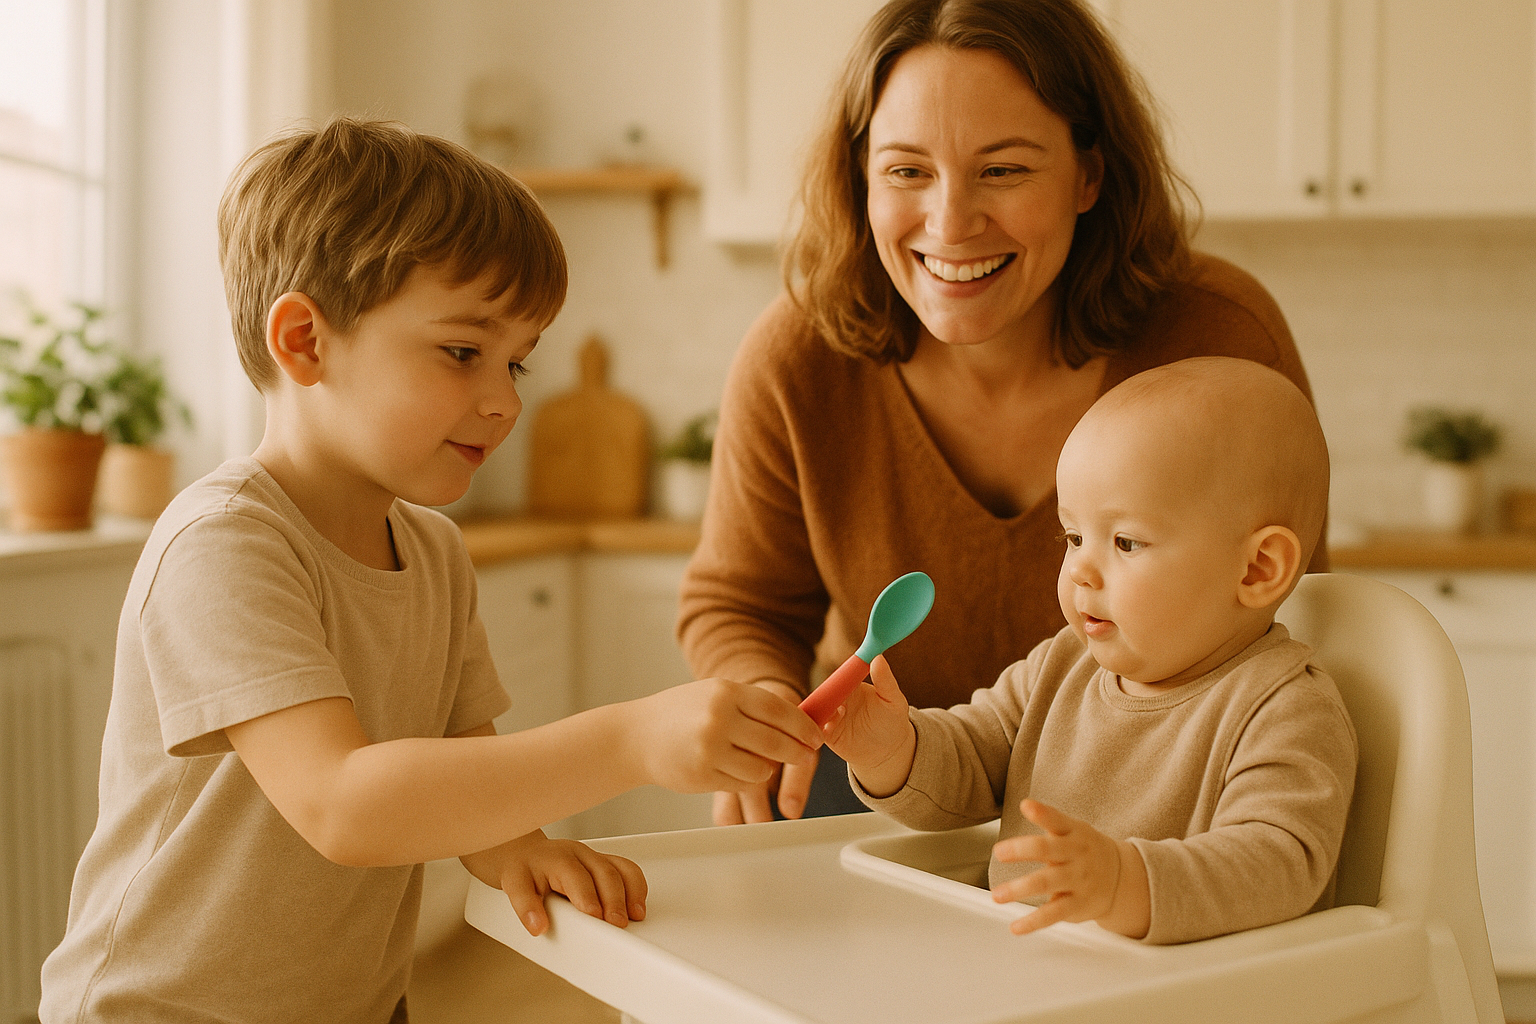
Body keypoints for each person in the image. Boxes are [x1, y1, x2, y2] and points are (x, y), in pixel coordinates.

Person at [40, 119, 823, 1024]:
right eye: (463, 353)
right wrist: (627, 742)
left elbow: (462, 773)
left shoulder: (435, 554)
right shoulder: (225, 545)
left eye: (516, 361)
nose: (504, 401)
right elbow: (344, 805)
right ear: (304, 343)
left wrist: (517, 846)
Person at [678, 0, 1329, 825]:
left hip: (1146, 793)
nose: (950, 224)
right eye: (907, 170)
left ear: (1089, 174)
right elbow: (742, 605)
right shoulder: (798, 358)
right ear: (860, 176)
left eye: (1004, 170)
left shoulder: (1218, 340)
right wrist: (762, 699)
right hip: (877, 778)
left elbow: (1293, 610)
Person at [821, 356, 1357, 944]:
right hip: (1024, 974)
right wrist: (894, 750)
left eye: (1125, 541)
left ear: (1256, 568)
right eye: (1073, 537)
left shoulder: (1283, 708)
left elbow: (1280, 863)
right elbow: (967, 765)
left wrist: (1125, 884)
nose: (1079, 569)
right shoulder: (1060, 667)